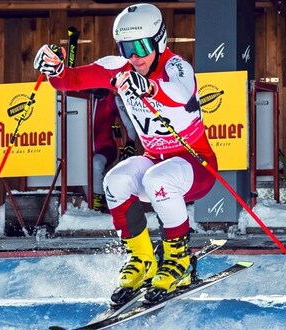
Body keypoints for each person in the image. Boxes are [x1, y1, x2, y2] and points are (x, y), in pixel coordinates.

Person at [33, 3, 217, 306]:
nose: (134, 56)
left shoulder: (176, 66)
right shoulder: (119, 68)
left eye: (142, 46)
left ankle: (179, 262)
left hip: (195, 165)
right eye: (126, 47)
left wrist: (150, 88)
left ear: (159, 41)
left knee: (159, 177)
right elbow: (71, 81)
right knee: (115, 180)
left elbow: (181, 95)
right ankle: (143, 260)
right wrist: (55, 69)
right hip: (157, 161)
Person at [89, 88, 138, 213]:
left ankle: (98, 204)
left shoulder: (111, 99)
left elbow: (130, 125)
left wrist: (130, 145)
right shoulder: (80, 96)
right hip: (80, 150)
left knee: (96, 163)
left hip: (105, 148)